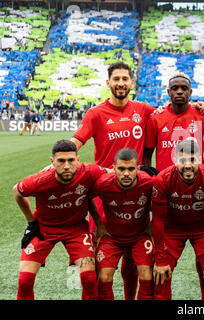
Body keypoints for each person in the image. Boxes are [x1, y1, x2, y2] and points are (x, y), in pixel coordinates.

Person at [71, 61, 156, 300]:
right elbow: (77, 141)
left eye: (124, 79)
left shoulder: (144, 110)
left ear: (132, 83)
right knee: (100, 252)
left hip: (136, 191)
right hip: (103, 193)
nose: (120, 83)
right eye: (115, 79)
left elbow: (171, 112)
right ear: (108, 83)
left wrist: (199, 107)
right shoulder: (96, 113)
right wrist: (63, 157)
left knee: (134, 254)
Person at [12, 140, 107, 300]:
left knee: (89, 280)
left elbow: (114, 174)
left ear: (78, 159)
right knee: (25, 281)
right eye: (61, 161)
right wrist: (31, 222)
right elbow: (17, 191)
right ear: (52, 161)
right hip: (43, 229)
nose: (67, 166)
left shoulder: (89, 171)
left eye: (71, 160)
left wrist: (144, 174)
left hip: (76, 229)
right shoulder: (39, 181)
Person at [151, 138, 204, 300]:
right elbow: (158, 221)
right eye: (183, 160)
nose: (188, 165)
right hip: (172, 229)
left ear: (199, 159)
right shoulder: (162, 179)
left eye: (193, 160)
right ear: (175, 160)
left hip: (203, 229)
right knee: (161, 278)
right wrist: (161, 260)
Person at [90, 148, 155, 300]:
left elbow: (164, 200)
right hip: (111, 236)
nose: (126, 173)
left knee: (146, 276)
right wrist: (99, 224)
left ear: (138, 168)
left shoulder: (148, 183)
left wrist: (152, 225)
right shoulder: (103, 184)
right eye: (121, 169)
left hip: (139, 236)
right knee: (104, 278)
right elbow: (86, 196)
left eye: (131, 169)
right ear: (113, 168)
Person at [145, 72, 204, 172]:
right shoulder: (155, 118)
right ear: (168, 92)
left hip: (197, 183)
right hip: (166, 183)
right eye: (175, 88)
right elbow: (147, 155)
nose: (179, 92)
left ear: (190, 92)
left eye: (184, 88)